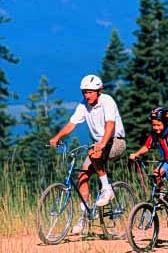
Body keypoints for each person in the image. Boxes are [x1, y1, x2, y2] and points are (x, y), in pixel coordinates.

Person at [49, 74, 126, 234]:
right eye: (84, 92)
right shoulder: (83, 105)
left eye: (90, 92)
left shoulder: (107, 101)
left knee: (94, 154)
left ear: (99, 91)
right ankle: (83, 218)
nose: (86, 95)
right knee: (82, 177)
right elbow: (72, 124)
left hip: (115, 141)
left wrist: (103, 143)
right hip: (98, 144)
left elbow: (110, 124)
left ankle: (107, 189)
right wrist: (57, 137)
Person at [129, 107, 168, 242]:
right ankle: (162, 191)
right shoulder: (154, 134)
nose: (156, 127)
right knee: (156, 173)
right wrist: (136, 154)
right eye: (154, 125)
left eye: (159, 125)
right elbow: (147, 147)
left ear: (165, 123)